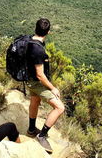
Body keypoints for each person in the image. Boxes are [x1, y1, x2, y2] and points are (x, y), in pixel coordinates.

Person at [26, 18, 65, 154]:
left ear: (35, 29)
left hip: (29, 79)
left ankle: (31, 129)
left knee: (35, 101)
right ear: (48, 32)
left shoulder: (30, 41)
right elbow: (40, 75)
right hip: (37, 82)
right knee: (60, 107)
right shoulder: (38, 50)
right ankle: (41, 136)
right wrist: (52, 88)